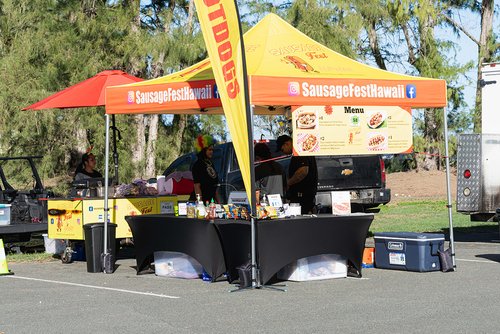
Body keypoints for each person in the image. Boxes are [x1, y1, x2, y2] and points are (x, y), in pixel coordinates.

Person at [276, 134, 318, 214]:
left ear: (287, 144)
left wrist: (289, 183)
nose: (283, 152)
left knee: (301, 217)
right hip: (305, 195)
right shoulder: (300, 151)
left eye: (282, 149)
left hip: (302, 196)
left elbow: (303, 171)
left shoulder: (299, 152)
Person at [190, 135, 219, 203]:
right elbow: (197, 186)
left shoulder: (210, 163)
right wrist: (200, 204)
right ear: (203, 150)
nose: (211, 152)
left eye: (212, 150)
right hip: (200, 203)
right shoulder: (197, 165)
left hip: (210, 203)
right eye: (209, 149)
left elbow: (214, 187)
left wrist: (218, 202)